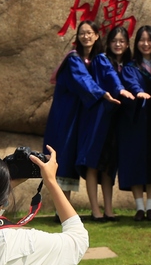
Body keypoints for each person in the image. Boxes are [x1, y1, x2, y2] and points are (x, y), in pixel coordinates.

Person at [42, 21, 120, 206]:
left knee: (70, 158)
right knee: (64, 156)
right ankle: (60, 208)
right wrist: (103, 94)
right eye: (82, 33)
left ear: (97, 35)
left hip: (81, 116)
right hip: (66, 115)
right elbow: (82, 80)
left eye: (89, 33)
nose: (86, 36)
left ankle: (65, 207)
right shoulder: (73, 59)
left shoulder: (97, 59)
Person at [79, 25, 134, 221]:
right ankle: (95, 210)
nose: (117, 44)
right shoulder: (101, 60)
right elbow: (109, 79)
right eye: (114, 41)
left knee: (109, 166)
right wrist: (120, 90)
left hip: (116, 121)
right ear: (107, 42)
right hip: (98, 119)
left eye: (121, 41)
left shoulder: (130, 65)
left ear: (127, 44)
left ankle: (109, 210)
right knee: (93, 164)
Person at [117, 25, 151, 221]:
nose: (146, 44)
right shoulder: (130, 66)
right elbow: (131, 83)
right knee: (135, 160)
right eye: (142, 40)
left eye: (150, 40)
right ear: (136, 43)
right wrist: (139, 92)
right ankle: (139, 207)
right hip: (134, 120)